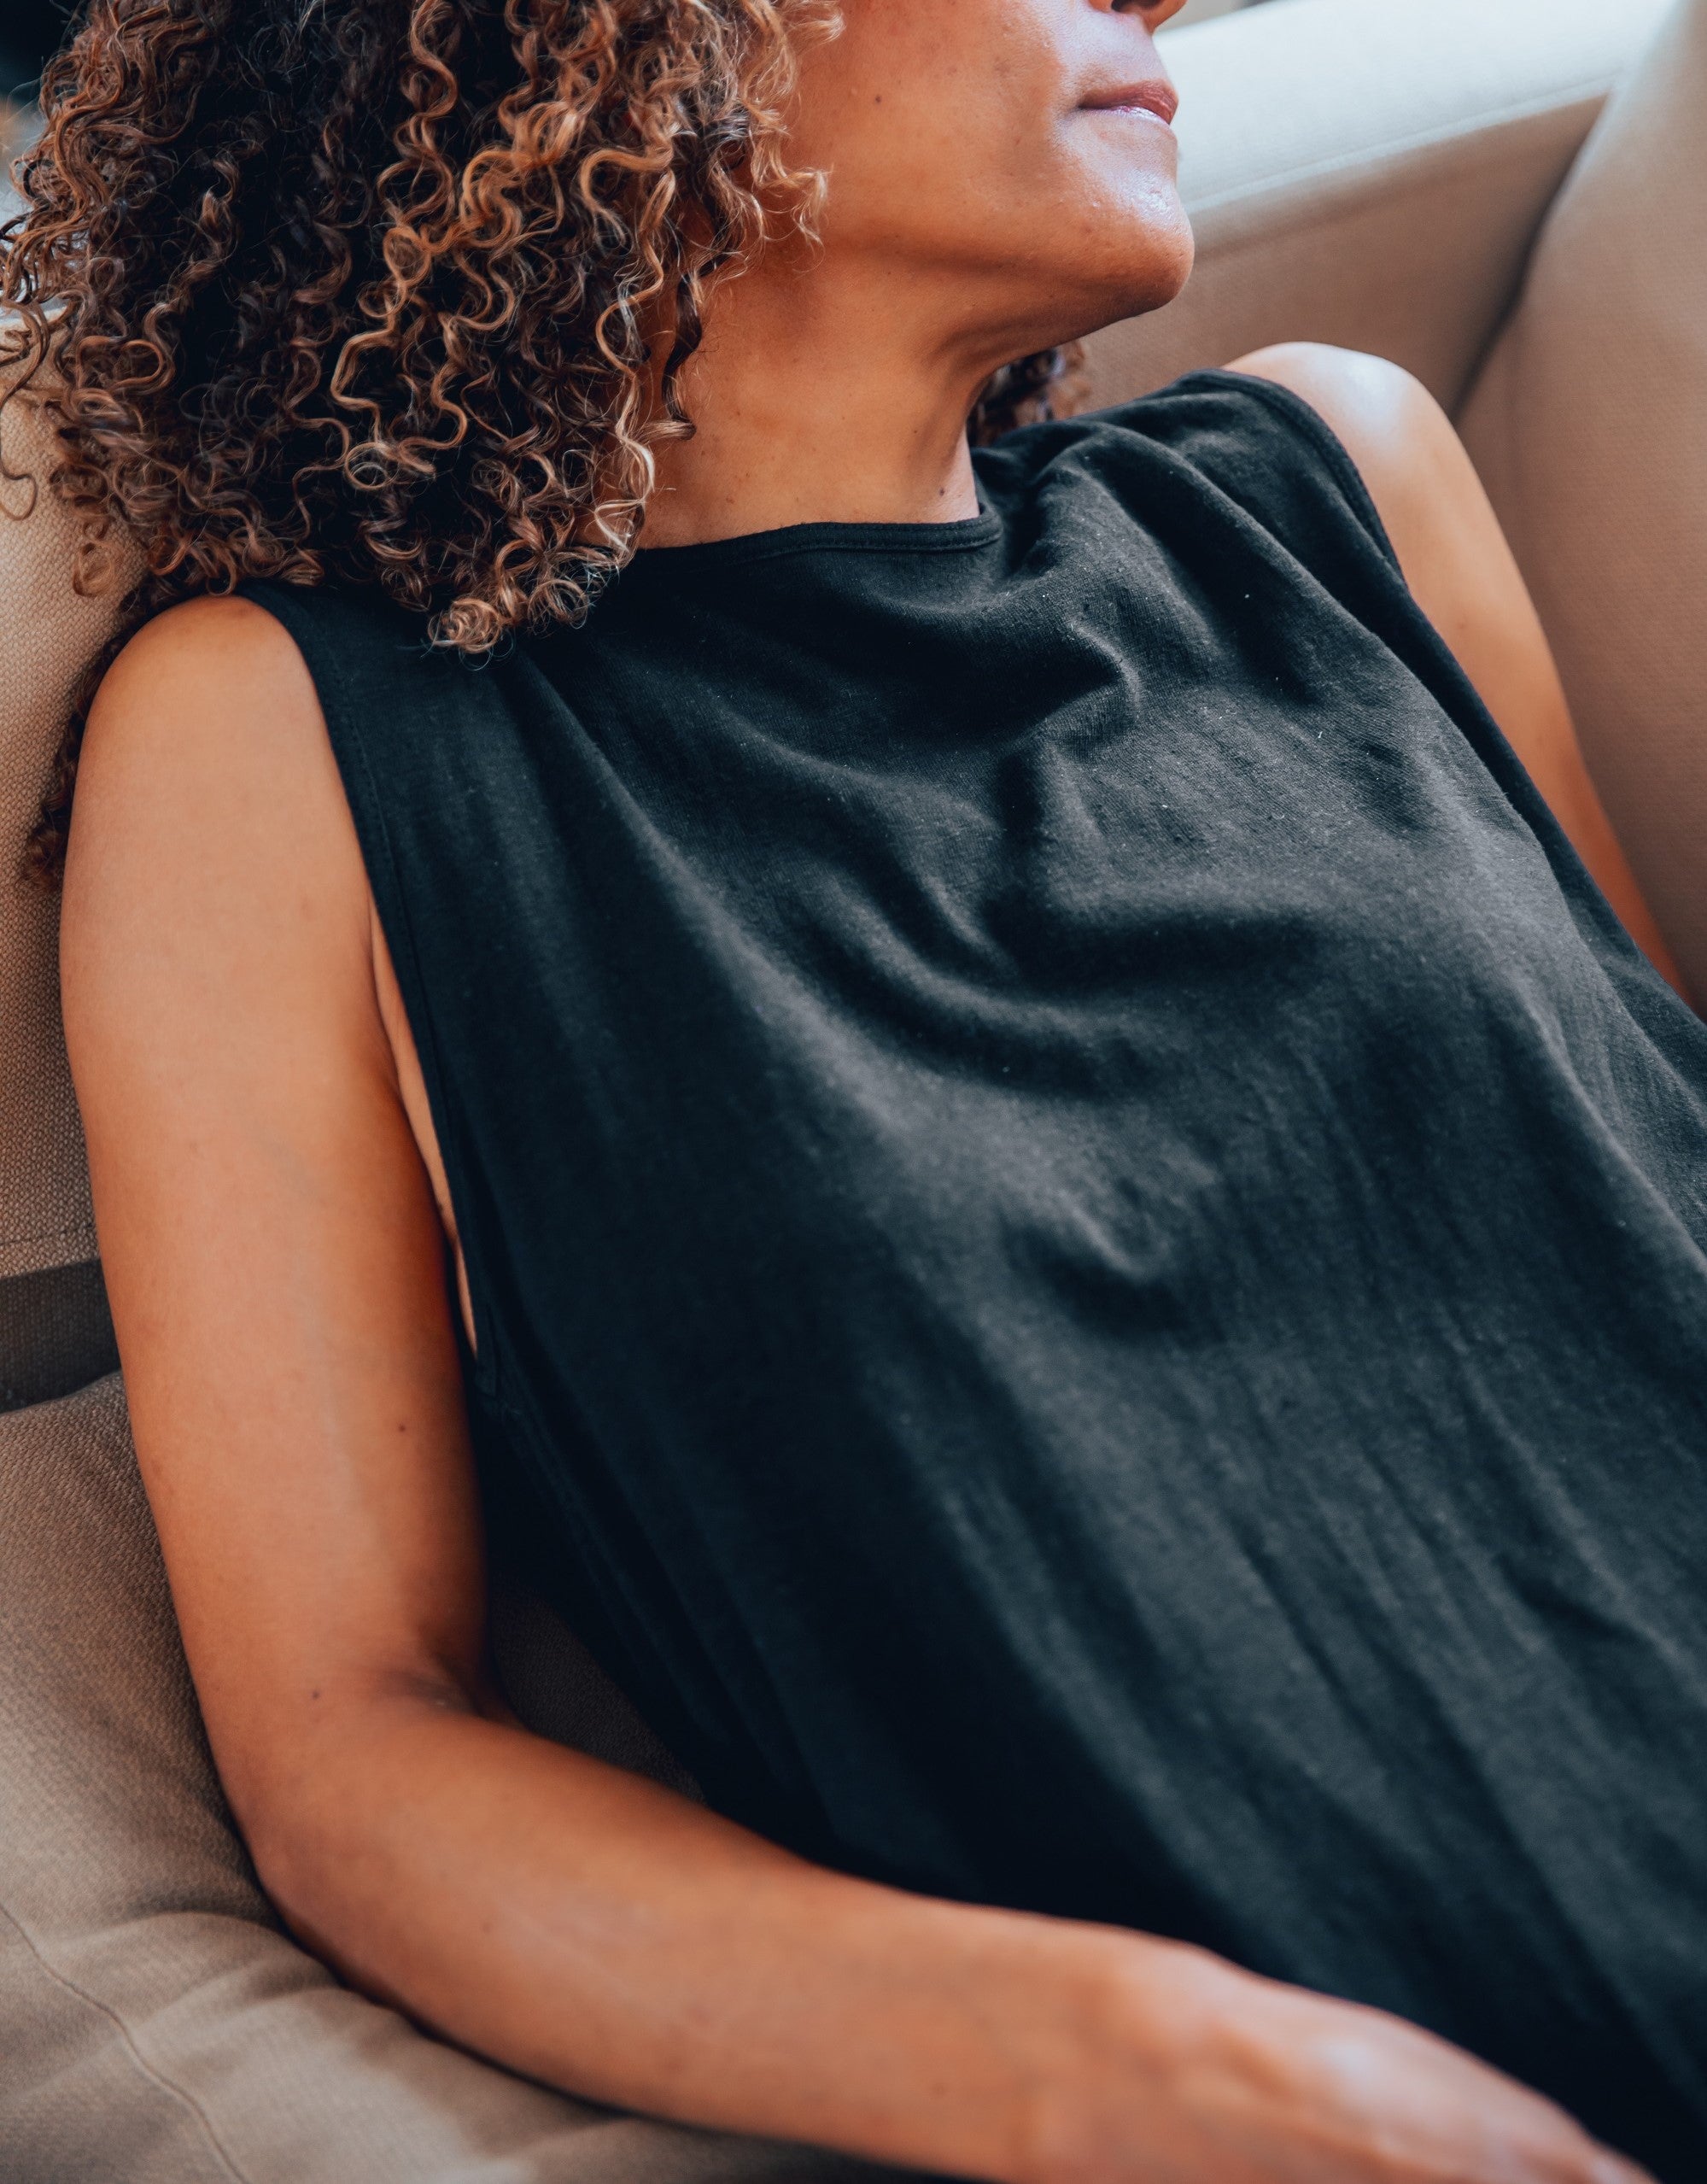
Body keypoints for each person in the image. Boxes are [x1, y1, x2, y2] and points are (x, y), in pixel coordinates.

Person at [5, 1, 1704, 2177]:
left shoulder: (1340, 475)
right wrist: (1132, 2064)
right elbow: (358, 1753)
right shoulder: (297, 755)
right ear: (609, 41)